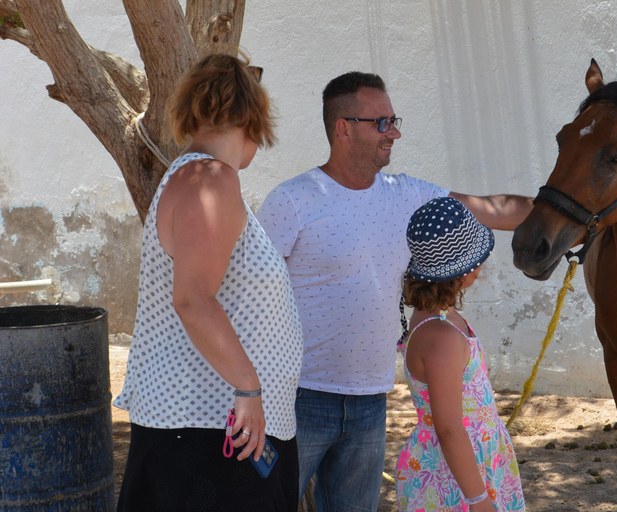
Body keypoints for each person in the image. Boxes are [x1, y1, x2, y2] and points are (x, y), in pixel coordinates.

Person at [256, 71, 532, 511]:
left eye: (394, 120)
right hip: (298, 397)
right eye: (382, 122)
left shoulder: (407, 195)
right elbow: (250, 295)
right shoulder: (292, 201)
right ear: (343, 128)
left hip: (370, 401)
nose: (395, 132)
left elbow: (492, 209)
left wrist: (576, 211)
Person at [114, 52, 303, 512]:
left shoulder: (202, 177)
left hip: (217, 429)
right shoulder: (210, 180)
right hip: (208, 432)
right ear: (252, 116)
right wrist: (249, 388)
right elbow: (193, 300)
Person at [396, 197, 526, 512]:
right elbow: (449, 428)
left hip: (472, 460)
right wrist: (478, 500)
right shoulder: (441, 338)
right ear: (464, 270)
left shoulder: (439, 315)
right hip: (454, 477)